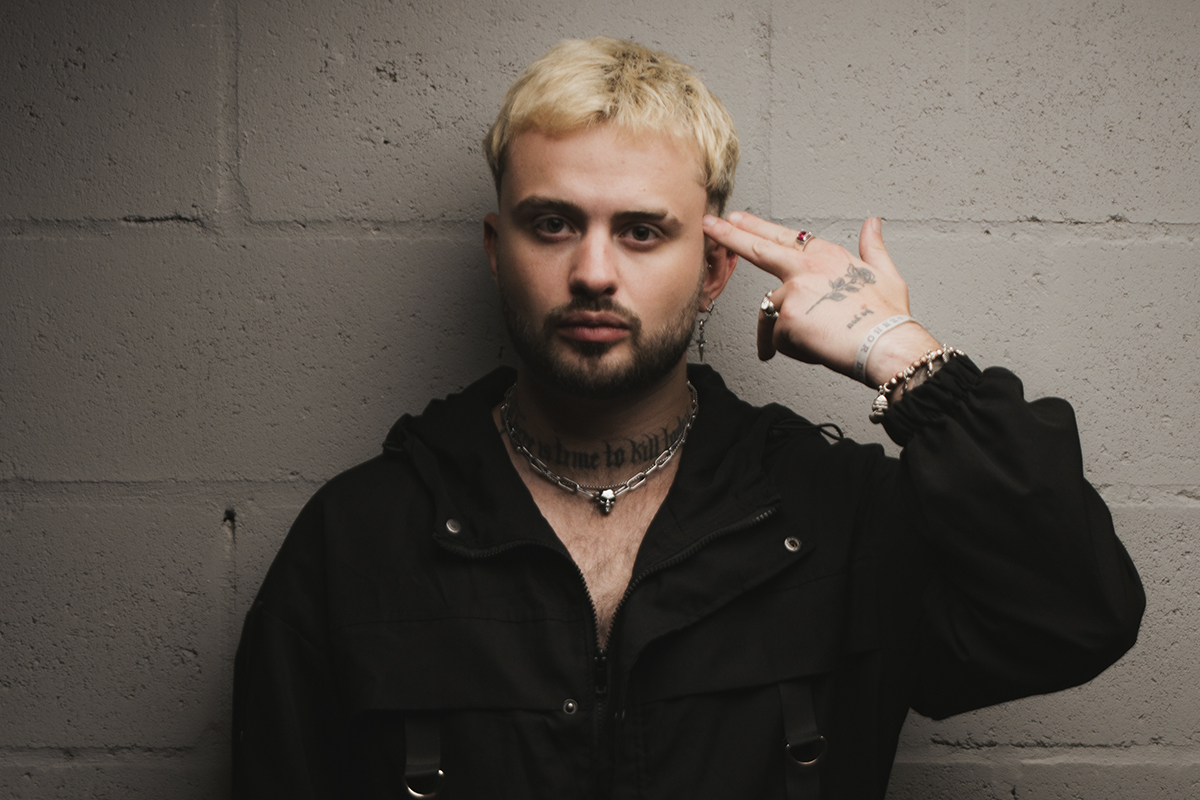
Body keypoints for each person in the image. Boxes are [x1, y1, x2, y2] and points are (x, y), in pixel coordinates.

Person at [232, 36, 1144, 800]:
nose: (593, 272)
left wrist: (903, 358)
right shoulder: (359, 540)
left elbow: (1076, 616)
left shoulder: (837, 519)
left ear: (713, 270)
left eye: (641, 231)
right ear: (497, 251)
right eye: (551, 224)